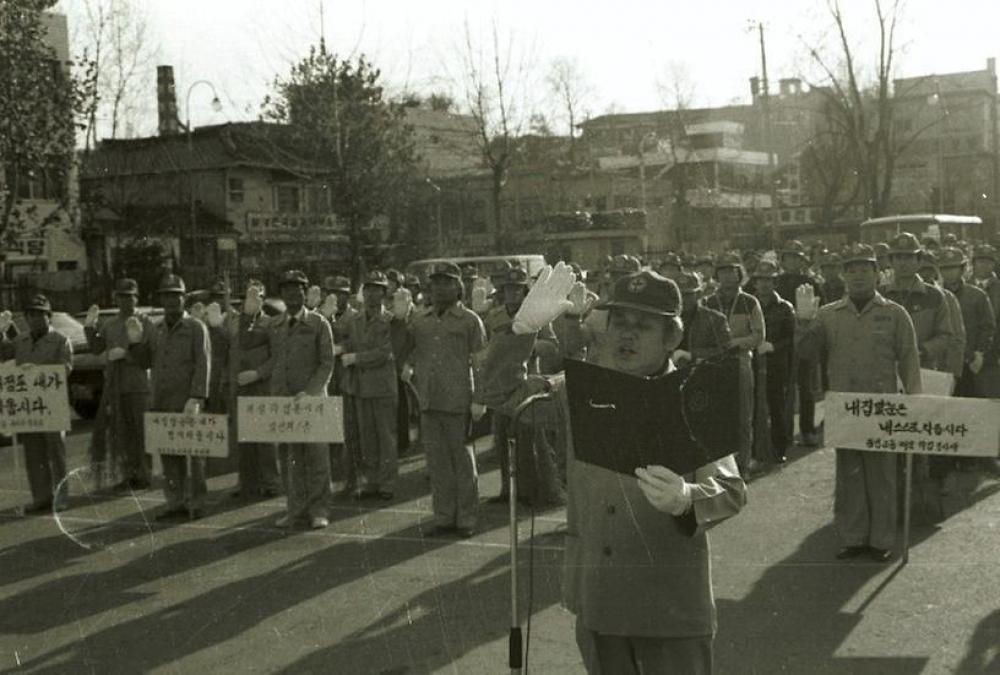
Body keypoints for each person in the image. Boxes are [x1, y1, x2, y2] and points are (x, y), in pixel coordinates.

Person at [489, 264, 745, 673]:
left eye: (643, 326)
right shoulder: (580, 389)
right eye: (619, 322)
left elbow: (731, 489)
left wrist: (687, 499)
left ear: (672, 337)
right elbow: (503, 396)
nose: (626, 334)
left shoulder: (694, 396)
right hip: (599, 597)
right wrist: (521, 334)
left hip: (670, 606)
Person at [797, 244, 921, 562]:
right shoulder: (828, 315)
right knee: (849, 473)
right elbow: (805, 354)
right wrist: (803, 320)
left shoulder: (894, 314)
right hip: (845, 406)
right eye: (851, 270)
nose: (858, 276)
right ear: (843, 276)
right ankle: (854, 537)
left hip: (883, 406)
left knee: (882, 475)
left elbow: (909, 361)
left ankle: (881, 541)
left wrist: (916, 406)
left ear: (878, 275)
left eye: (865, 270)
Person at [399, 261, 487, 538]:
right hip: (429, 400)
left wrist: (479, 399)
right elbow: (407, 350)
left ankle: (467, 519)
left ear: (458, 287)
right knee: (437, 465)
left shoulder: (470, 320)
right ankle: (444, 517)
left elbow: (481, 363)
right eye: (435, 282)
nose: (439, 288)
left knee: (463, 463)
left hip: (459, 401)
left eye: (446, 282)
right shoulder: (420, 321)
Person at [480, 266, 563, 506]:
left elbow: (552, 345)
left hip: (525, 384)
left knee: (528, 442)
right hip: (500, 385)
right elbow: (486, 347)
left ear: (525, 291)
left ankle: (531, 491)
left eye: (518, 289)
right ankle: (508, 490)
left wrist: (528, 346)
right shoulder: (495, 316)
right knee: (504, 440)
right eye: (509, 289)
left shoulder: (537, 315)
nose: (513, 294)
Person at [130, 275, 211, 520]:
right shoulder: (156, 329)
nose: (172, 299)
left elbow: (203, 362)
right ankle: (174, 501)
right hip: (162, 398)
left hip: (187, 398)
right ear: (161, 299)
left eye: (176, 295)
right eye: (167, 295)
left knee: (193, 454)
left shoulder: (196, 327)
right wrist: (135, 343)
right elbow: (145, 362)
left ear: (184, 298)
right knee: (168, 453)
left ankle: (196, 502)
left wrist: (197, 396)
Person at [271, 270, 335, 529]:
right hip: (287, 403)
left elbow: (327, 363)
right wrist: (279, 394)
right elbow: (275, 363)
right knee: (291, 458)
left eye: (296, 289)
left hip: (313, 401)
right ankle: (295, 510)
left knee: (317, 458)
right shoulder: (276, 326)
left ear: (305, 292)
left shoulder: (319, 323)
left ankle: (319, 510)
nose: (291, 294)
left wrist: (310, 392)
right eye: (286, 289)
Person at [0, 295, 73, 513]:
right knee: (33, 452)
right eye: (30, 314)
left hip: (52, 403)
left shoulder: (61, 340)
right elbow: (6, 361)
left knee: (55, 452)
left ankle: (61, 497)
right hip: (29, 404)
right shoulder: (20, 341)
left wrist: (38, 372)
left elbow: (65, 369)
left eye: (39, 314)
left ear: (48, 316)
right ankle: (41, 497)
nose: (34, 318)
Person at [83, 278, 157, 489]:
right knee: (122, 433)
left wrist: (128, 354)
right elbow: (97, 348)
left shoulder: (146, 322)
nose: (125, 301)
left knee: (141, 431)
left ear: (136, 298)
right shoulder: (111, 324)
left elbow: (151, 356)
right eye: (121, 297)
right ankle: (129, 474)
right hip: (115, 385)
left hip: (138, 384)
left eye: (129, 297)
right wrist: (89, 327)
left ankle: (145, 473)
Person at [705, 252, 765, 477]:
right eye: (722, 270)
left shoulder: (750, 301)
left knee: (742, 415)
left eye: (731, 270)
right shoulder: (709, 301)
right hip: (714, 363)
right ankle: (720, 469)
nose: (727, 275)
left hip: (740, 361)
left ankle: (743, 465)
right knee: (717, 415)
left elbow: (759, 335)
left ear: (739, 273)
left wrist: (736, 343)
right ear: (716, 275)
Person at [342, 270, 399, 500]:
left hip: (382, 385)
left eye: (377, 289)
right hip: (361, 386)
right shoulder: (354, 320)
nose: (372, 294)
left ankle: (387, 482)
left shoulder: (390, 320)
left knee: (385, 436)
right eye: (368, 289)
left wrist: (357, 358)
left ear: (384, 294)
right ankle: (371, 481)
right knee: (367, 437)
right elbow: (346, 342)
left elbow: (385, 352)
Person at [230, 281, 281, 500]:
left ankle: (271, 481)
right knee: (243, 436)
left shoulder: (271, 323)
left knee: (265, 436)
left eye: (256, 297)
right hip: (240, 386)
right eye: (247, 298)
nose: (251, 301)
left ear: (263, 300)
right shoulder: (234, 323)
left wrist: (258, 373)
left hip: (261, 385)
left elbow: (277, 357)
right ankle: (246, 481)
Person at [775, 240, 823, 447]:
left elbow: (824, 310)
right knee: (782, 388)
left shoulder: (811, 283)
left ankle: (807, 430)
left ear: (802, 260)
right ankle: (783, 432)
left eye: (797, 257)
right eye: (789, 257)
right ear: (783, 260)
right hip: (781, 341)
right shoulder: (774, 281)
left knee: (806, 387)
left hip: (806, 339)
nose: (792, 261)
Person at [751, 262, 796, 464]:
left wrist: (774, 346)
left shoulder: (785, 307)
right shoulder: (749, 305)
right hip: (754, 362)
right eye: (761, 280)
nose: (764, 285)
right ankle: (756, 450)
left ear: (775, 282)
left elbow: (792, 337)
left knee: (776, 406)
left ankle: (780, 448)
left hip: (776, 362)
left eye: (768, 280)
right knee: (753, 407)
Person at [321, 274, 361, 495]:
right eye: (331, 293)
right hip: (327, 380)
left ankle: (351, 479)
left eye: (340, 294)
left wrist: (342, 347)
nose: (335, 298)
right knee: (327, 432)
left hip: (347, 377)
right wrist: (326, 318)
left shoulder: (354, 317)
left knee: (349, 432)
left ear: (348, 295)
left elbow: (357, 341)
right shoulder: (321, 316)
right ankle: (329, 479)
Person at [673, 271, 731, 368]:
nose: (682, 299)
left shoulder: (715, 319)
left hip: (703, 373)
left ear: (699, 294)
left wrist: (692, 355)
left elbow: (725, 350)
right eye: (679, 294)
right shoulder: (666, 319)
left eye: (687, 295)